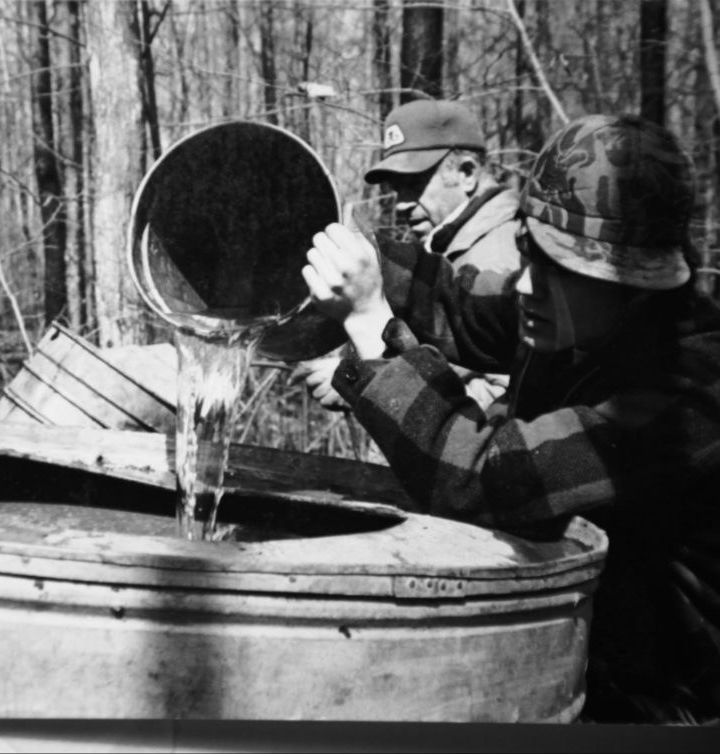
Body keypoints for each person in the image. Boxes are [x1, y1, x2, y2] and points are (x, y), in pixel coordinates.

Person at [301, 113, 720, 725]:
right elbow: (451, 303)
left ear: (632, 286)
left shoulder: (691, 398)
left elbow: (480, 477)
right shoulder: (568, 309)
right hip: (571, 650)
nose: (525, 284)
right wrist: (342, 251)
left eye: (559, 268)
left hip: (660, 706)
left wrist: (369, 324)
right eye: (528, 248)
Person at [294, 99, 520, 411]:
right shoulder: (454, 246)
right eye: (397, 188)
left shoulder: (496, 258)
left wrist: (359, 380)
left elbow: (503, 413)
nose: (401, 203)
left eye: (414, 185)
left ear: (467, 173)